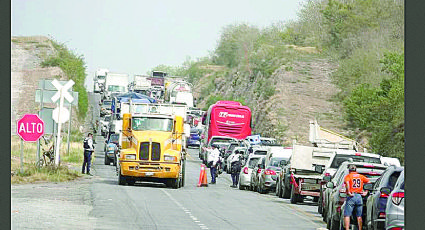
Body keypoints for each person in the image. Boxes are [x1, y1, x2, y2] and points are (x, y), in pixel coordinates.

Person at [343, 164, 370, 230]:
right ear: (355, 170)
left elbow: (347, 183)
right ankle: (360, 228)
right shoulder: (361, 176)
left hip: (352, 196)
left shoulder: (348, 176)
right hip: (359, 196)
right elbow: (368, 182)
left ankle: (347, 228)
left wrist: (349, 192)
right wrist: (365, 192)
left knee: (347, 215)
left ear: (349, 170)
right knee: (359, 215)